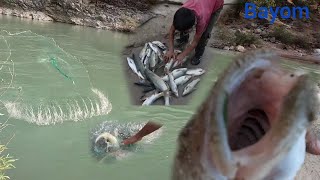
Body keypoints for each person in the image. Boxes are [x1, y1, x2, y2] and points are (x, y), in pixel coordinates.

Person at [164, 0, 224, 66]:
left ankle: (199, 54)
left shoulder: (202, 20)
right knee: (183, 26)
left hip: (216, 4)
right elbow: (171, 31)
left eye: (187, 30)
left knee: (204, 35)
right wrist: (171, 50)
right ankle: (184, 39)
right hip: (202, 4)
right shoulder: (181, 13)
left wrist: (183, 55)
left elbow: (195, 41)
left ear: (194, 25)